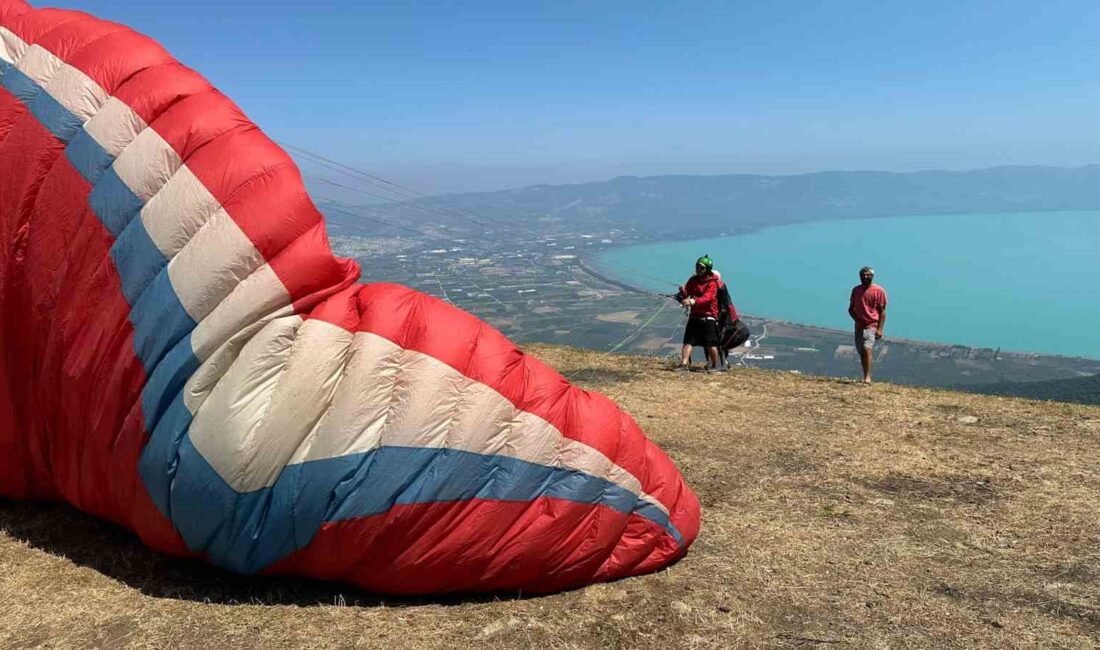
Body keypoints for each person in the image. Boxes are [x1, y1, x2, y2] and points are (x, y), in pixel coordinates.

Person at [678, 255, 721, 371]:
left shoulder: (712, 283)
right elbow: (687, 293)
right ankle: (684, 364)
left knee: (711, 343)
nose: (698, 269)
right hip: (695, 316)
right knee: (688, 341)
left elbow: (707, 298)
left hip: (708, 316)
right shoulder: (693, 280)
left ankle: (714, 366)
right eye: (697, 266)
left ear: (707, 269)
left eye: (701, 267)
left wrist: (691, 301)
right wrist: (682, 292)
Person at [848, 266, 888, 383]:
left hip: (872, 325)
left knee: (867, 349)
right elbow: (851, 309)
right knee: (861, 351)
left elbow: (882, 311)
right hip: (859, 326)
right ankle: (865, 374)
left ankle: (868, 378)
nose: (865, 277)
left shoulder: (879, 291)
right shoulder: (856, 290)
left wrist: (880, 329)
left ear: (872, 276)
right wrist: (857, 320)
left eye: (868, 275)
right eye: (863, 275)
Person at [713, 270, 750, 368]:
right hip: (725, 320)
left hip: (723, 320)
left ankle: (719, 363)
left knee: (719, 342)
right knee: (720, 341)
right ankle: (721, 362)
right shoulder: (720, 288)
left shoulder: (719, 288)